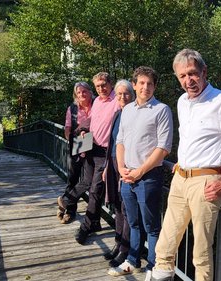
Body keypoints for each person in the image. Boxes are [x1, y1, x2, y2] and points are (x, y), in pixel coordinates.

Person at [150, 49, 221, 281]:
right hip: (180, 179)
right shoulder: (182, 102)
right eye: (182, 76)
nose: (188, 81)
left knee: (200, 254)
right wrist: (181, 164)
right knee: (164, 247)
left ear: (204, 72)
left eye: (193, 74)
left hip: (207, 182)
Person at [108, 66, 173, 281]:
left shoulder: (161, 110)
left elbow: (163, 148)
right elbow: (120, 142)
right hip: (127, 177)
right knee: (133, 223)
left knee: (152, 227)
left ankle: (153, 268)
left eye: (150, 84)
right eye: (142, 83)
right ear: (134, 85)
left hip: (148, 178)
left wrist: (138, 172)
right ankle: (133, 260)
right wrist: (122, 168)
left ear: (155, 86)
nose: (145, 87)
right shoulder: (127, 110)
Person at [75, 72, 121, 244]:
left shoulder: (117, 100)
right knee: (88, 185)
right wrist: (81, 130)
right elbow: (91, 121)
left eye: (104, 85)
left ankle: (85, 227)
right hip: (91, 148)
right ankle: (94, 223)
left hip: (106, 153)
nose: (101, 88)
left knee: (95, 190)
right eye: (98, 86)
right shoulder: (96, 102)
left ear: (110, 84)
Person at [102, 79, 135, 267]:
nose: (123, 97)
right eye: (120, 94)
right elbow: (111, 143)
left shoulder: (133, 115)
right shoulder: (117, 114)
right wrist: (107, 165)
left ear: (132, 95)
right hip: (113, 164)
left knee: (126, 208)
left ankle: (125, 249)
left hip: (126, 166)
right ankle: (118, 243)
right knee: (116, 205)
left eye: (126, 93)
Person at [57, 81, 94, 224]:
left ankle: (67, 201)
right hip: (79, 143)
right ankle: (70, 211)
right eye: (78, 92)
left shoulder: (97, 105)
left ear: (90, 92)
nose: (82, 94)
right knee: (73, 177)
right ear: (75, 95)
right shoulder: (72, 109)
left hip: (96, 144)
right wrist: (74, 142)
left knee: (90, 180)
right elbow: (67, 128)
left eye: (84, 91)